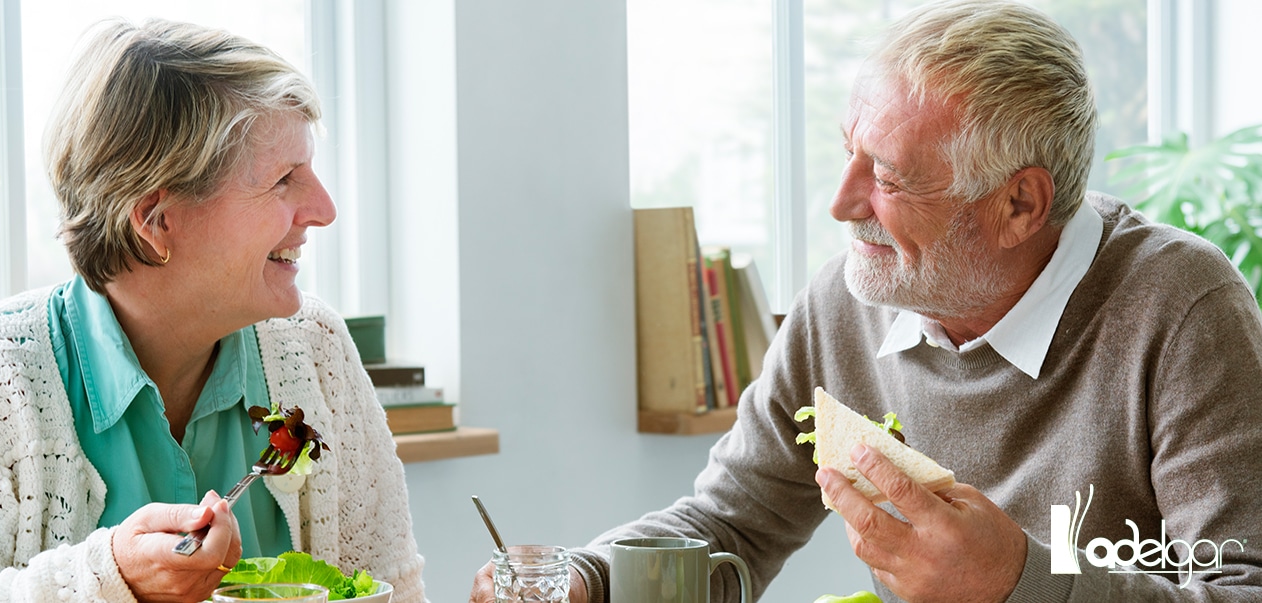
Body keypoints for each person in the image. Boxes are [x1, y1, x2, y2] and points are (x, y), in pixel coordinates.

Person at [463, 1, 1262, 602]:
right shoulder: (845, 303)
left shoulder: (1183, 306)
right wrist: (584, 577)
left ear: (1019, 205)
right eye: (851, 156)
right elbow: (729, 524)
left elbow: (1240, 587)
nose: (842, 204)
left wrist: (1019, 579)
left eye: (885, 176)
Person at [0, 19, 426, 602]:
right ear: (156, 221)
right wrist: (111, 577)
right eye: (285, 179)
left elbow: (397, 594)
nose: (324, 208)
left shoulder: (316, 349)